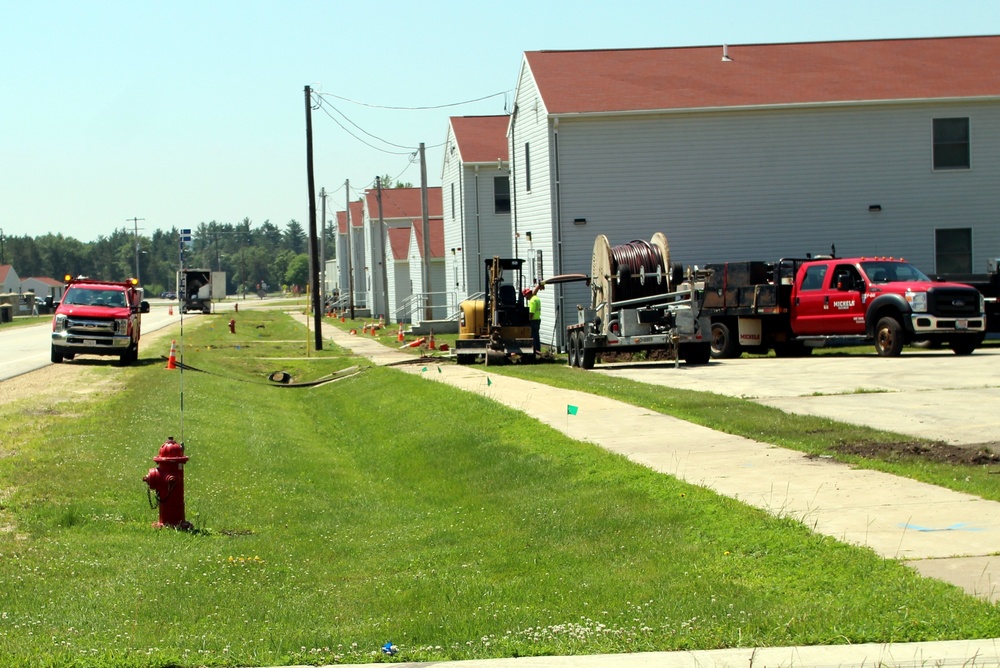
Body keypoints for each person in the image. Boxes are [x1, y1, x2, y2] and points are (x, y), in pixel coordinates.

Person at [523, 284, 543, 353]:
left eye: (526, 295)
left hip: (533, 321)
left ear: (529, 294)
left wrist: (527, 321)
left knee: (532, 336)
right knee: (536, 336)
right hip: (537, 320)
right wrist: (538, 286)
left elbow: (531, 313)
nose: (525, 297)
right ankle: (538, 349)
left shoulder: (532, 301)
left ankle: (534, 350)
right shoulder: (536, 298)